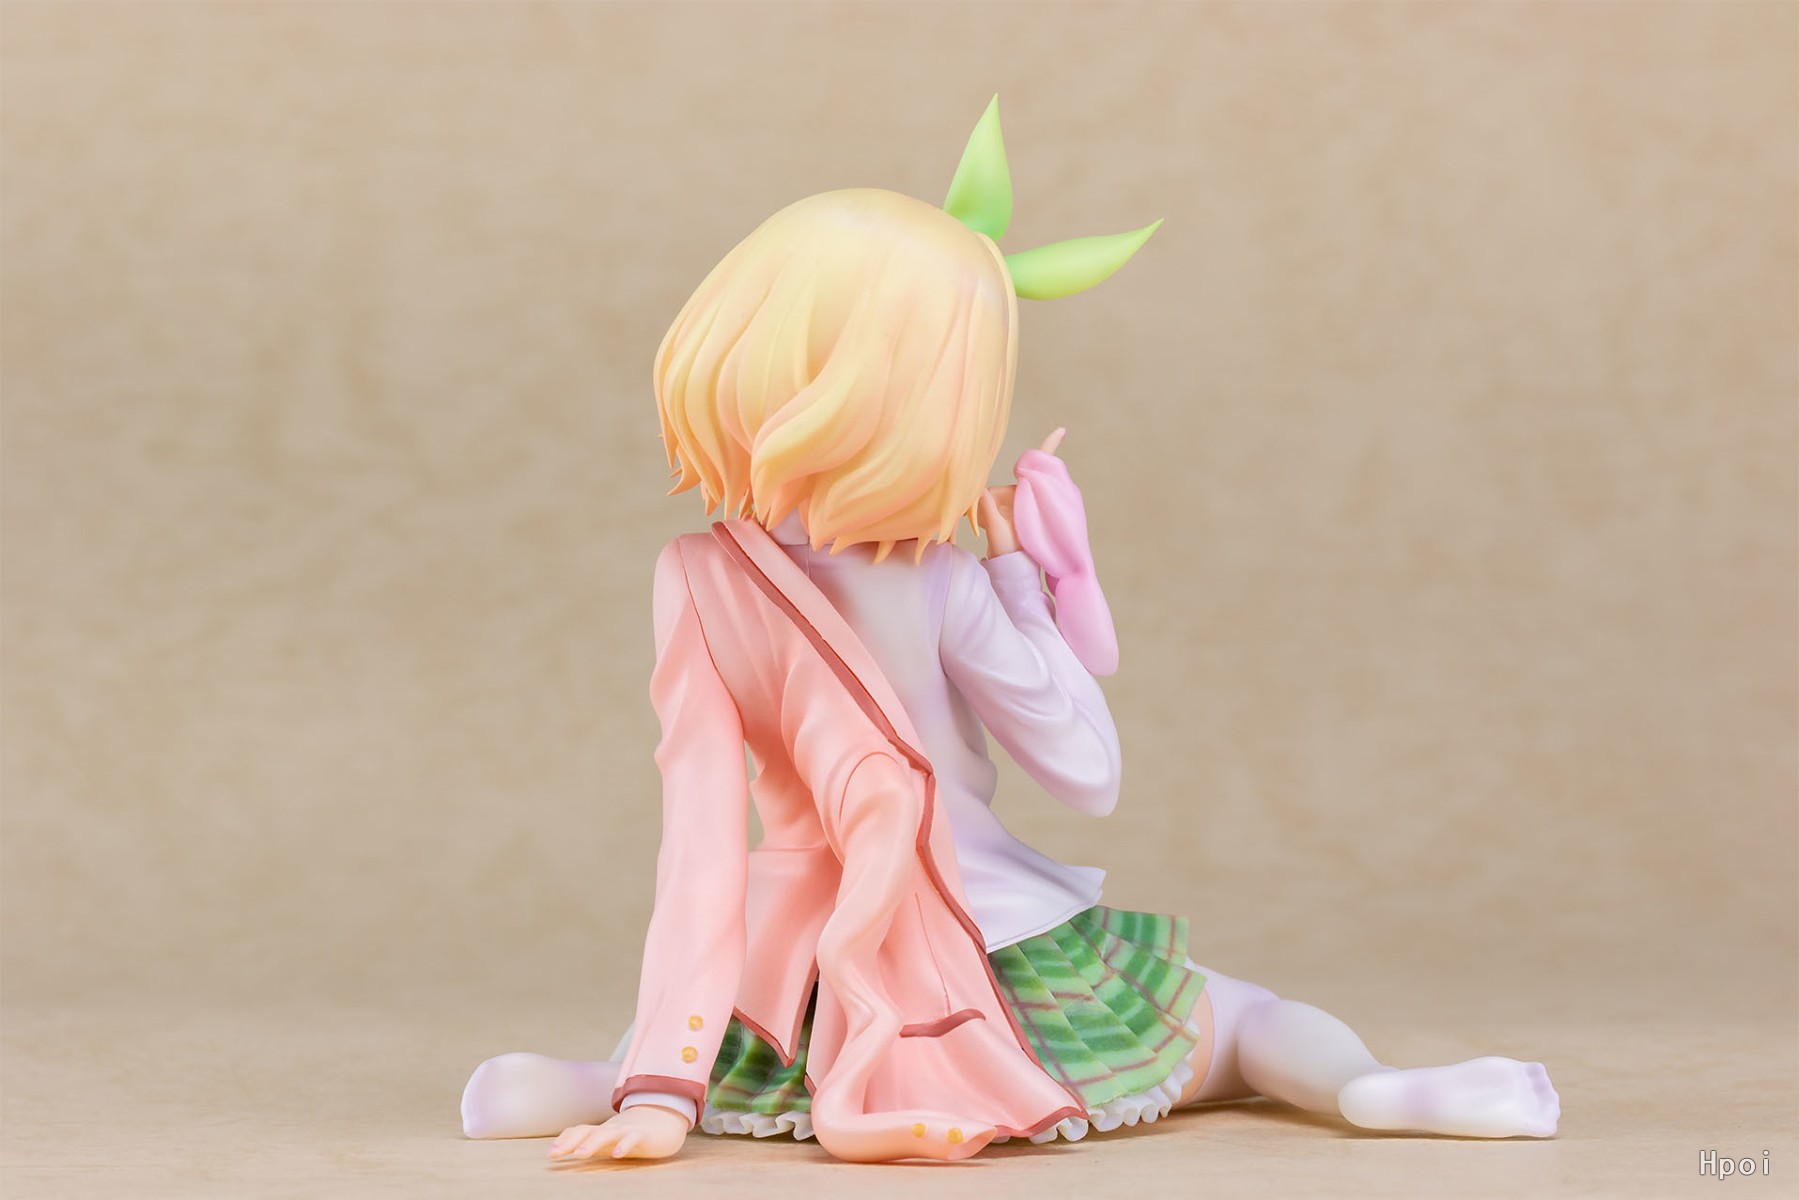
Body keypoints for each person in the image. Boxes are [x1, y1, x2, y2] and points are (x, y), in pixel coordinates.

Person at [461, 99, 1560, 1163]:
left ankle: (612, 1080)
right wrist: (1030, 580)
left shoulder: (696, 577)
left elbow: (700, 849)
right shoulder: (937, 579)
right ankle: (1369, 1089)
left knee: (719, 1028)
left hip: (797, 965)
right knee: (1246, 1023)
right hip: (990, 936)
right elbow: (1086, 772)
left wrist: (661, 1083)